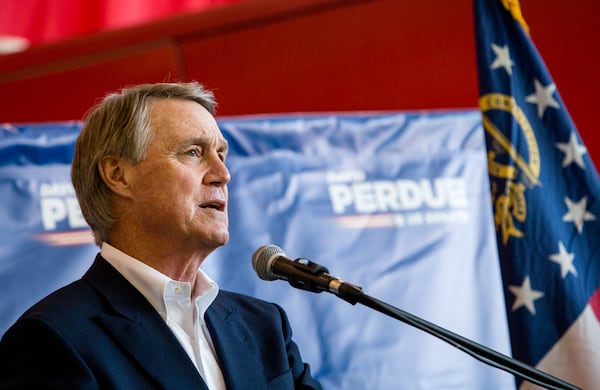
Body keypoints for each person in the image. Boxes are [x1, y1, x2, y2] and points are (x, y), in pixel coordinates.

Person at [0, 82, 322, 389]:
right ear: (119, 175)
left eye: (221, 154)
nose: (223, 174)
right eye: (194, 152)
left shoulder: (264, 327)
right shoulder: (54, 338)